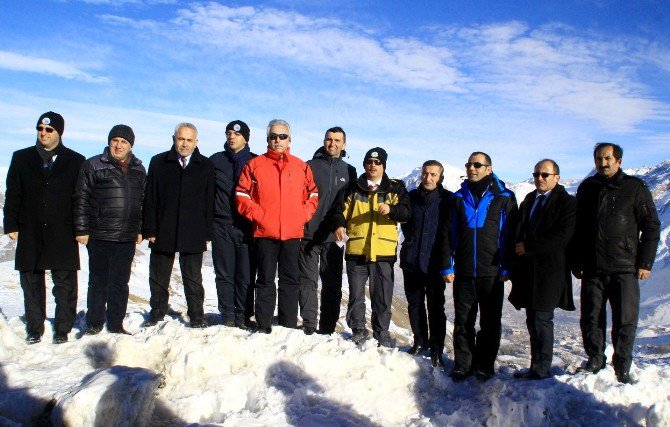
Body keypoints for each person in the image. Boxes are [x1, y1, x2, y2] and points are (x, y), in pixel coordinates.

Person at [572, 143, 660, 384]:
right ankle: (595, 359)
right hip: (592, 266)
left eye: (608, 158)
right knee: (591, 317)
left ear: (618, 161)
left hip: (625, 266)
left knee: (625, 320)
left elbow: (651, 226)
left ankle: (622, 367)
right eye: (599, 159)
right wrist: (577, 260)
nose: (603, 163)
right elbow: (577, 228)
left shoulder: (634, 188)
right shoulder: (587, 188)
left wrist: (645, 262)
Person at [4, 111, 85, 344]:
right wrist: (10, 223)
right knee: (31, 280)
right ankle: (34, 327)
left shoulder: (75, 160)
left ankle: (63, 328)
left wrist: (81, 228)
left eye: (49, 130)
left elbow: (80, 197)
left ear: (59, 132)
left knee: (65, 282)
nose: (43, 133)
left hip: (63, 229)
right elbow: (13, 194)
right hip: (29, 227)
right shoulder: (21, 158)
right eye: (40, 128)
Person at [439, 151, 517, 382]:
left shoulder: (503, 197)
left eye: (477, 165)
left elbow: (510, 234)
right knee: (463, 321)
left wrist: (507, 266)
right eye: (469, 164)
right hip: (463, 271)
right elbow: (447, 235)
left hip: (491, 272)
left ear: (489, 169)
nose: (472, 168)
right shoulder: (458, 198)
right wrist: (446, 265)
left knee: (490, 323)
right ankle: (464, 364)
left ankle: (484, 365)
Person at [236, 119, 318, 333]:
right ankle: (263, 326)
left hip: (292, 233)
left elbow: (313, 194)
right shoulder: (255, 165)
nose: (278, 140)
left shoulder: (301, 166)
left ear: (289, 139)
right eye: (273, 136)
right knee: (264, 279)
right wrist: (259, 216)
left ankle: (288, 325)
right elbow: (241, 195)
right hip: (265, 232)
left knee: (290, 280)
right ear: (268, 139)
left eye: (282, 136)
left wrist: (302, 216)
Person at [330, 147, 411, 347]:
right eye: (369, 162)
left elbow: (406, 212)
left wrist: (392, 210)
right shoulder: (352, 188)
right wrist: (339, 225)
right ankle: (358, 330)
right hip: (357, 250)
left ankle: (382, 333)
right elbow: (337, 211)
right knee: (356, 297)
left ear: (383, 165)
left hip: (383, 252)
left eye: (377, 162)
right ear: (364, 164)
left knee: (382, 298)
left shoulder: (395, 188)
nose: (372, 166)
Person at [73, 125, 146, 335]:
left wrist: (140, 228)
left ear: (130, 145)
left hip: (126, 236)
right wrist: (82, 229)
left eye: (124, 142)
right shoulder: (94, 165)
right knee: (98, 282)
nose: (119, 145)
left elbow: (143, 201)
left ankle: (116, 324)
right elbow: (81, 199)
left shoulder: (139, 169)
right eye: (115, 140)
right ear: (109, 142)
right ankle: (94, 324)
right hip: (100, 233)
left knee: (120, 283)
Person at [509, 159, 576, 380]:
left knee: (542, 320)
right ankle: (535, 365)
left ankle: (542, 368)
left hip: (549, 272)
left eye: (545, 174)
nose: (540, 178)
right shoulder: (529, 199)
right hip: (528, 272)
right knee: (532, 319)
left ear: (557, 177)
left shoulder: (566, 203)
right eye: (537, 173)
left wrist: (529, 246)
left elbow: (562, 236)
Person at [142, 123, 215, 328]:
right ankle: (156, 313)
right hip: (163, 227)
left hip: (193, 230)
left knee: (193, 278)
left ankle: (197, 316)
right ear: (174, 138)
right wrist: (150, 228)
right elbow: (150, 197)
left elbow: (209, 201)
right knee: (158, 276)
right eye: (181, 139)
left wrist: (207, 231)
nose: (184, 144)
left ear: (196, 142)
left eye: (189, 140)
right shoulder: (158, 162)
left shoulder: (206, 166)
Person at [299, 127, 357, 335]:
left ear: (344, 144)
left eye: (337, 140)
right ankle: (309, 326)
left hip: (335, 236)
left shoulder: (350, 171)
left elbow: (350, 204)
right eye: (329, 140)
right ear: (324, 141)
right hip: (309, 233)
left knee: (332, 283)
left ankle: (327, 328)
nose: (333, 144)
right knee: (308, 281)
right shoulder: (309, 166)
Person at [400, 160, 451, 366]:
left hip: (435, 262)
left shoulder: (447, 199)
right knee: (415, 303)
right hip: (411, 260)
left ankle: (437, 347)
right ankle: (419, 340)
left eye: (433, 174)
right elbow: (404, 224)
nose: (428, 178)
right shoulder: (411, 197)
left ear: (440, 177)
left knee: (436, 307)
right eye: (425, 174)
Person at [210, 120, 257, 329]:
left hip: (247, 226)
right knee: (224, 273)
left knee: (246, 274)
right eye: (228, 133)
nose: (231, 137)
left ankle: (244, 314)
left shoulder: (256, 162)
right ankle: (227, 314)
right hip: (221, 223)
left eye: (236, 134)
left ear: (245, 138)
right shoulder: (215, 161)